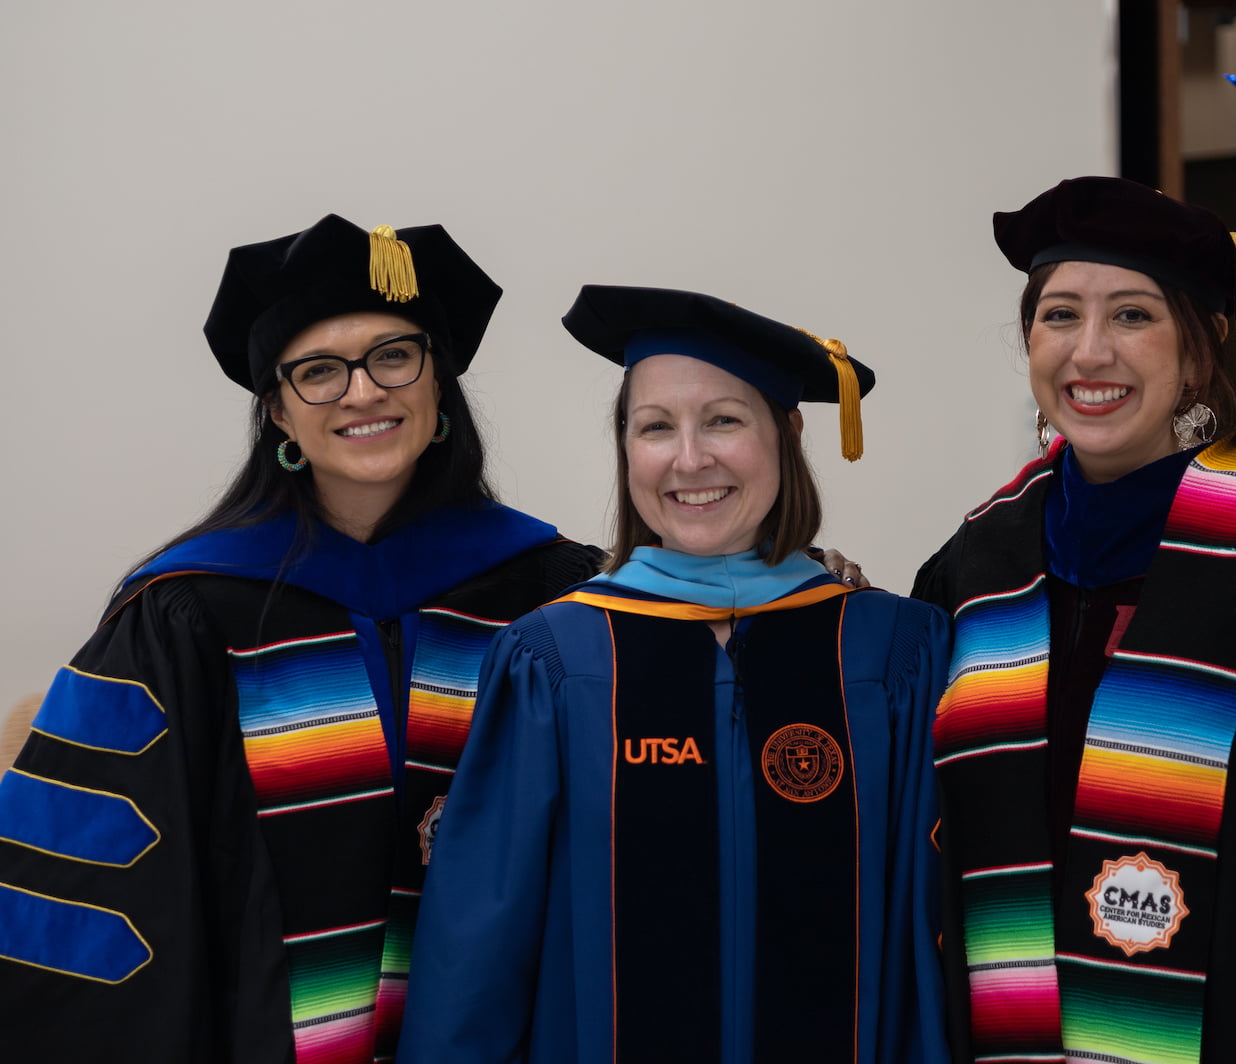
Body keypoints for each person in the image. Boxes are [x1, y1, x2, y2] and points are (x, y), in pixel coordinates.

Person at [0, 215, 605, 1062]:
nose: (363, 392)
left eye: (394, 356)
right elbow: (88, 886)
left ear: (439, 386)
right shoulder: (191, 612)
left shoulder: (552, 591)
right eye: (319, 372)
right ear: (280, 414)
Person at [912, 176, 1236, 1064]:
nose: (1089, 352)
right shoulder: (982, 564)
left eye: (1133, 316)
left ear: (1201, 348)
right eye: (1059, 316)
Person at [398, 286, 950, 1064]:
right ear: (626, 449)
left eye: (724, 419)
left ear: (788, 433)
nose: (690, 460)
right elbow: (477, 956)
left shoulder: (892, 652)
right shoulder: (554, 661)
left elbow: (926, 944)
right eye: (656, 427)